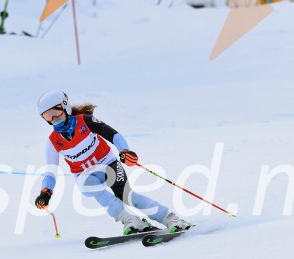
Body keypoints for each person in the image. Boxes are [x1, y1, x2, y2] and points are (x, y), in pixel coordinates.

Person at [33, 89, 191, 234]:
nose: (53, 118)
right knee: (90, 185)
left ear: (65, 107)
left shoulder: (86, 121)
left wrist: (124, 151)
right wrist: (45, 192)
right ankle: (130, 220)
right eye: (47, 116)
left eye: (56, 111)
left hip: (108, 164)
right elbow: (50, 172)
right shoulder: (52, 142)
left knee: (127, 196)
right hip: (84, 175)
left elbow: (113, 135)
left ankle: (170, 218)